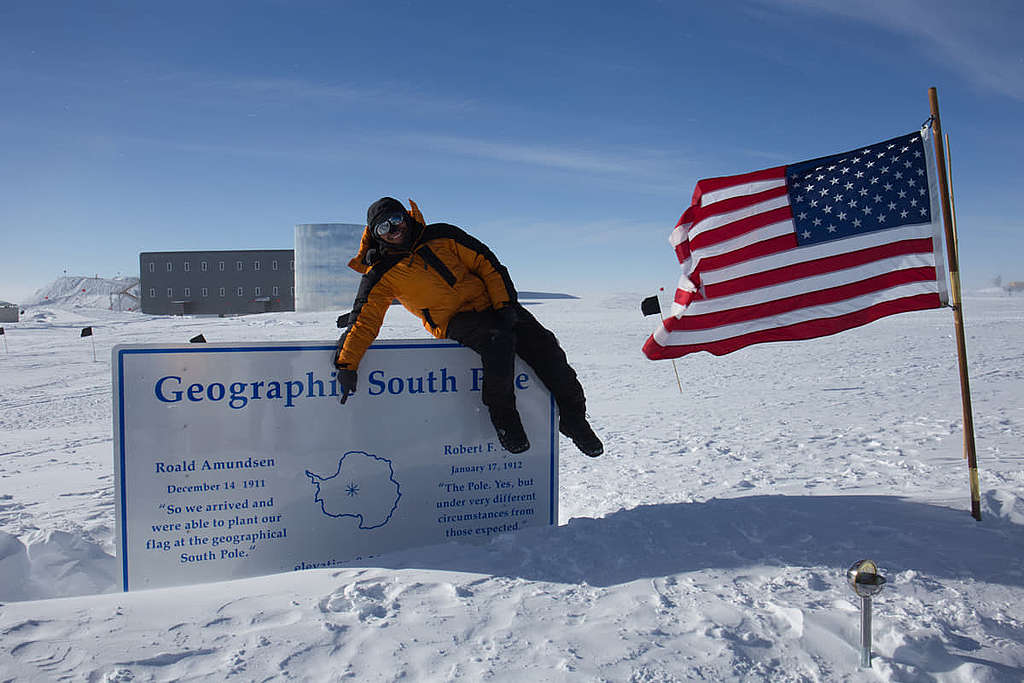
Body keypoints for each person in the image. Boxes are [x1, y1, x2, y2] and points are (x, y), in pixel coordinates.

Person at [333, 197, 603, 457]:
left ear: (406, 216)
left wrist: (504, 305)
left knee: (545, 346)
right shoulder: (381, 272)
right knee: (498, 343)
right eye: (384, 227)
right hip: (454, 319)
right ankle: (504, 418)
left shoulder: (442, 235)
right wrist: (347, 364)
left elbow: (486, 263)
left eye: (396, 219)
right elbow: (365, 319)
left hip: (494, 305)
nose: (394, 230)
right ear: (376, 235)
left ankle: (573, 418)